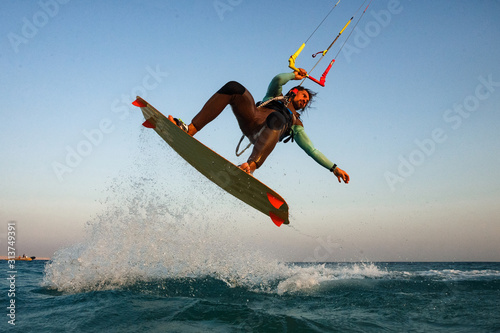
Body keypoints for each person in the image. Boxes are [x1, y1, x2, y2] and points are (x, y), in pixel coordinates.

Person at [169, 69, 350, 184]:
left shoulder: (296, 124)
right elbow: (278, 79)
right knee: (234, 87)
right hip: (252, 119)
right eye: (304, 96)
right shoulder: (275, 95)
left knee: (279, 118)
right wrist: (293, 76)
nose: (305, 101)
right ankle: (190, 129)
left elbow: (312, 150)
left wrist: (334, 168)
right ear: (295, 91)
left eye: (307, 101)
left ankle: (250, 167)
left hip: (265, 137)